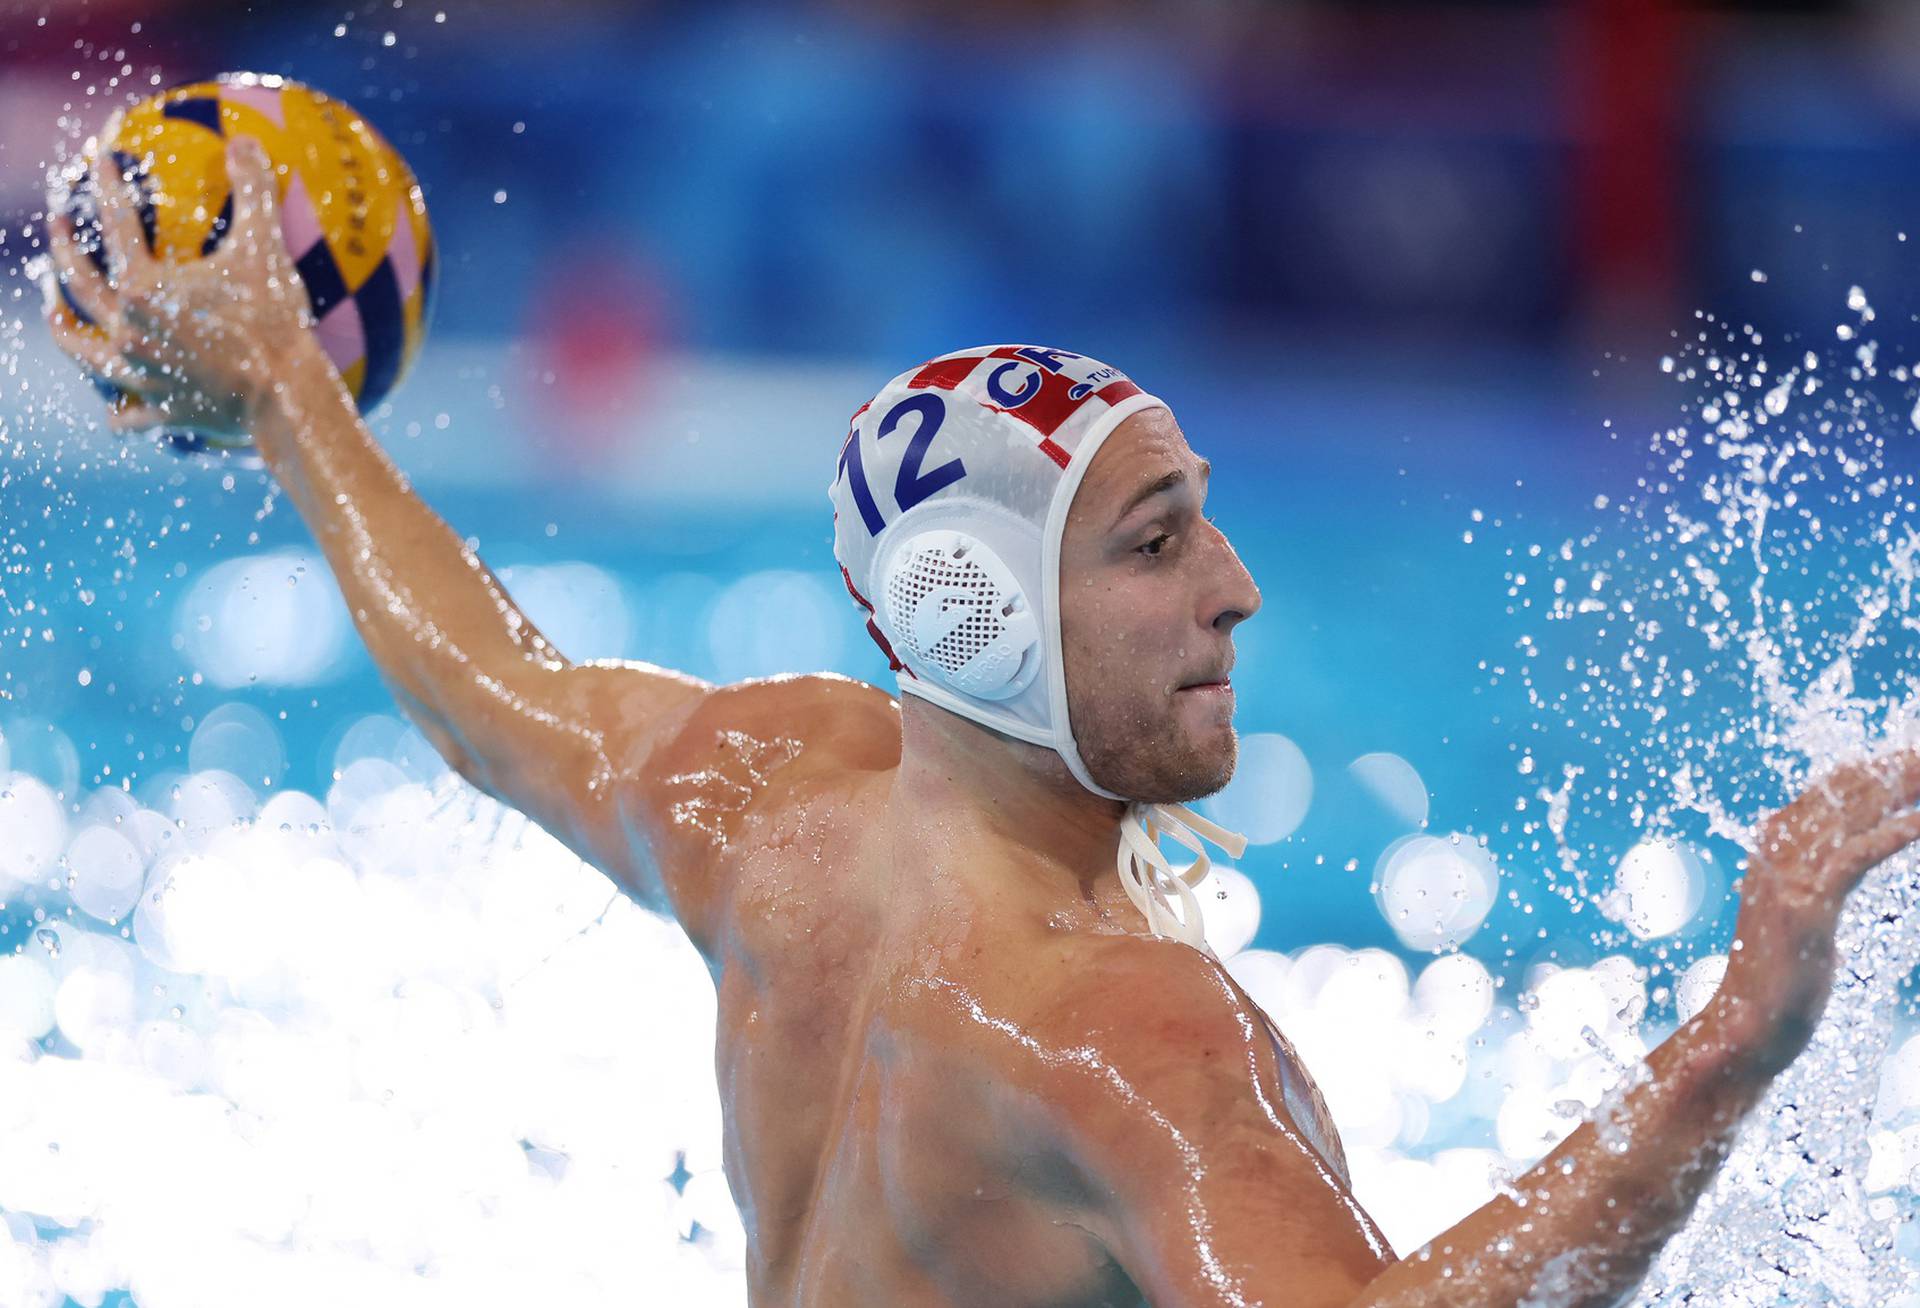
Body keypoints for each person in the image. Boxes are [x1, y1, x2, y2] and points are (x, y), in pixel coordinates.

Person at [42, 136, 1920, 1307]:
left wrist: (290, 392)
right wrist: (1726, 1054)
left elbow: (489, 692)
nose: (1239, 587)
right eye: (1158, 542)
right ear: (979, 621)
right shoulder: (1135, 1036)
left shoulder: (770, 800)